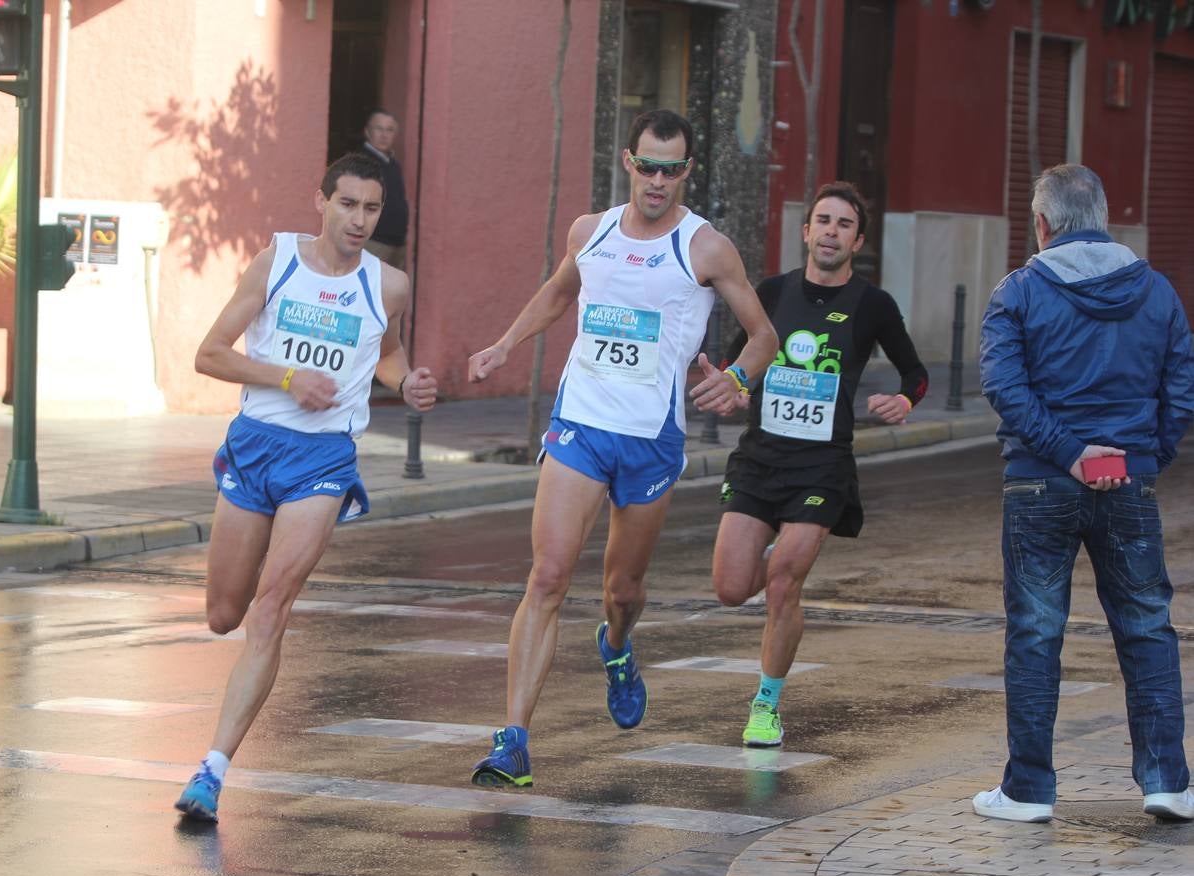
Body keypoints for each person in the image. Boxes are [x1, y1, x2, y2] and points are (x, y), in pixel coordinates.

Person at [466, 109, 779, 788]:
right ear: (628, 163)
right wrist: (505, 345)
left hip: (650, 441)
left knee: (622, 587)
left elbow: (764, 336)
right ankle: (513, 741)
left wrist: (736, 378)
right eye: (648, 165)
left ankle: (616, 643)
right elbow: (558, 293)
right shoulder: (592, 230)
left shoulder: (707, 248)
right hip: (581, 422)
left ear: (687, 172)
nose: (658, 180)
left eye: (672, 169)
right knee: (547, 577)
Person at [174, 152, 437, 822]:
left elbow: (385, 353)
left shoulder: (390, 285)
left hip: (325, 460)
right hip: (258, 442)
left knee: (270, 610)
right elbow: (210, 353)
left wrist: (406, 382)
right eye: (347, 204)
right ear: (321, 201)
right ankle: (216, 755)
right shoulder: (277, 264)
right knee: (223, 614)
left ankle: (212, 771)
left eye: (371, 208)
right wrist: (289, 379)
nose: (358, 219)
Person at [974, 163, 1194, 823]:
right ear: (1102, 217)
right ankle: (1167, 781)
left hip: (1042, 479)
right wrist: (1145, 458)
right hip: (1125, 476)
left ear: (1042, 224)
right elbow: (1180, 385)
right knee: (1148, 626)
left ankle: (1029, 790)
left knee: (1036, 633)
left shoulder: (1018, 292)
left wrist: (1070, 454)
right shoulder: (1156, 292)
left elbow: (1004, 388)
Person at [712, 182, 928, 750]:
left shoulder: (873, 305)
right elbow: (741, 363)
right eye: (823, 221)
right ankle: (767, 551)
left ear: (858, 240)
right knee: (732, 588)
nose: (832, 231)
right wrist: (732, 388)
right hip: (760, 459)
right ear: (806, 232)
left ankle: (766, 704)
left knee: (783, 583)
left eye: (844, 224)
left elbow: (915, 372)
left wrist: (905, 400)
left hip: (822, 466)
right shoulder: (774, 292)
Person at [361, 108, 409, 271]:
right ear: (367, 132)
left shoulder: (393, 164)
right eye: (379, 129)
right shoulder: (362, 161)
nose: (384, 135)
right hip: (374, 242)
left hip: (397, 244)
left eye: (389, 130)